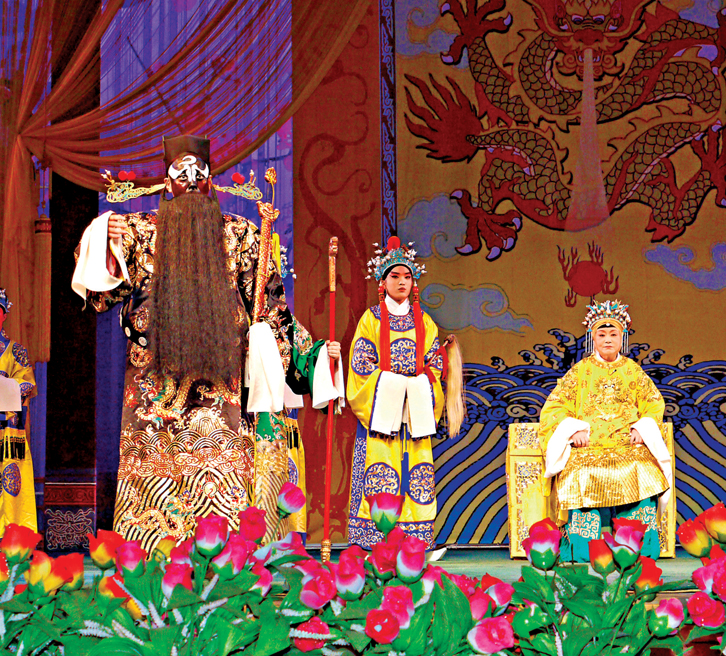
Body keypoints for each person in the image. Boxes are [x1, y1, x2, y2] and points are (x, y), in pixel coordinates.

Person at [71, 135, 340, 550]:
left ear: (211, 181)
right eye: (182, 174)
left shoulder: (242, 234)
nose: (192, 181)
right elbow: (99, 294)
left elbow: (271, 312)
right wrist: (104, 238)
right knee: (154, 511)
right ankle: (152, 572)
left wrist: (313, 358)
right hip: (153, 391)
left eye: (200, 174)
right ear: (166, 183)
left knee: (224, 502)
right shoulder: (140, 232)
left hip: (222, 390)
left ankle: (227, 570)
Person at [346, 236, 463, 550]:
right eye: (395, 276)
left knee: (416, 475)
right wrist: (396, 385)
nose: (402, 282)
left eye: (407, 276)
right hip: (380, 419)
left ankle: (414, 540)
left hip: (413, 416)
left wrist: (416, 385)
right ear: (383, 282)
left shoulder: (425, 322)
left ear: (414, 283)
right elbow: (360, 365)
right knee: (379, 473)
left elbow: (434, 366)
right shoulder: (370, 320)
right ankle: (374, 541)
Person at [539, 300, 672, 561]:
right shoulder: (579, 372)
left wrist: (643, 428)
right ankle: (583, 552)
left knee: (644, 470)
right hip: (588, 448)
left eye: (613, 334)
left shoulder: (633, 371)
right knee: (579, 472)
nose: (608, 340)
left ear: (622, 337)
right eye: (601, 335)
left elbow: (654, 403)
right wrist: (572, 430)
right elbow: (554, 407)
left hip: (628, 446)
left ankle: (636, 549)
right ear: (593, 338)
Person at [0, 289, 37, 532]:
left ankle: (12, 534)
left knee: (11, 481)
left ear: (4, 315)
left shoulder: (16, 351)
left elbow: (27, 384)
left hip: (8, 430)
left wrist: (4, 384)